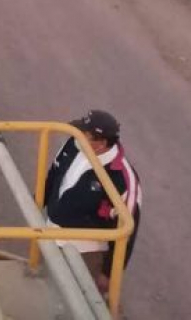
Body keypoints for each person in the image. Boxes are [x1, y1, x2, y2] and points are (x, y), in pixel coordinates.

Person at [45, 110, 143, 296]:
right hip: (49, 236)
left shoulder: (123, 180)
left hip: (84, 256)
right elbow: (53, 174)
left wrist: (108, 274)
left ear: (101, 144)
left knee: (71, 303)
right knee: (46, 290)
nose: (77, 135)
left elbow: (126, 234)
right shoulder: (73, 144)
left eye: (84, 134)